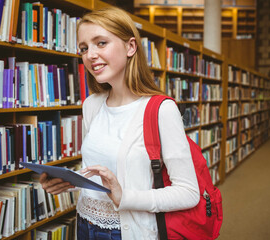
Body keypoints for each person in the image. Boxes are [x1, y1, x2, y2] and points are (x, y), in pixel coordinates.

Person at [39, 5, 200, 240]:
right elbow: (102, 172)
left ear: (130, 46)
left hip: (127, 231)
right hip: (85, 223)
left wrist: (125, 197)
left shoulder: (161, 110)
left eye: (101, 43)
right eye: (84, 48)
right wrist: (70, 181)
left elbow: (188, 193)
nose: (90, 55)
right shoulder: (92, 105)